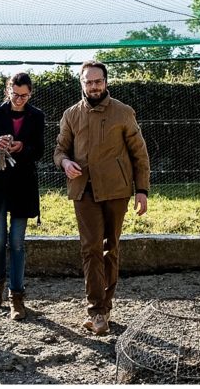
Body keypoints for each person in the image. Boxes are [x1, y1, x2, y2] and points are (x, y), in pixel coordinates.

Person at [53, 60, 150, 335]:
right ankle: (96, 310)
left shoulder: (123, 113)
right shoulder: (71, 115)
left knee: (111, 248)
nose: (93, 86)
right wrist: (64, 163)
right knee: (90, 248)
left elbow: (139, 154)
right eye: (88, 82)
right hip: (83, 191)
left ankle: (105, 307)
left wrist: (141, 190)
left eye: (98, 81)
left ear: (106, 82)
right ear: (81, 83)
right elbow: (60, 149)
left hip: (116, 191)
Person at [0, 72, 45, 320]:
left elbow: (40, 151)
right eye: (15, 94)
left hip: (22, 187)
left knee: (17, 243)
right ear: (8, 90)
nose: (19, 99)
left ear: (30, 94)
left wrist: (22, 147)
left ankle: (16, 296)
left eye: (24, 95)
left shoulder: (37, 116)